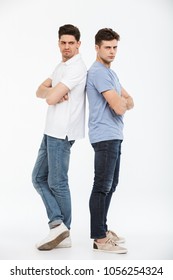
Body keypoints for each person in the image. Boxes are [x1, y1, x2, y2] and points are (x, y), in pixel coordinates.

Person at [32, 24, 87, 250]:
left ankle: (63, 229)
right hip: (50, 130)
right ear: (58, 43)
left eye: (71, 43)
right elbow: (40, 92)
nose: (67, 46)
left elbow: (50, 99)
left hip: (62, 132)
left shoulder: (76, 68)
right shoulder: (61, 66)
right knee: (37, 178)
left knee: (57, 182)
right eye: (63, 43)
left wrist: (52, 92)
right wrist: (52, 90)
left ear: (78, 44)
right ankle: (59, 227)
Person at [86, 28, 134, 254]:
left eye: (115, 47)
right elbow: (119, 106)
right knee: (102, 186)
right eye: (108, 47)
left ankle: (102, 229)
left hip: (114, 134)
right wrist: (122, 103)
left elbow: (130, 100)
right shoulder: (98, 72)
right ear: (97, 48)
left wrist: (123, 103)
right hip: (104, 135)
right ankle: (100, 238)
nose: (112, 51)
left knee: (111, 185)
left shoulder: (111, 73)